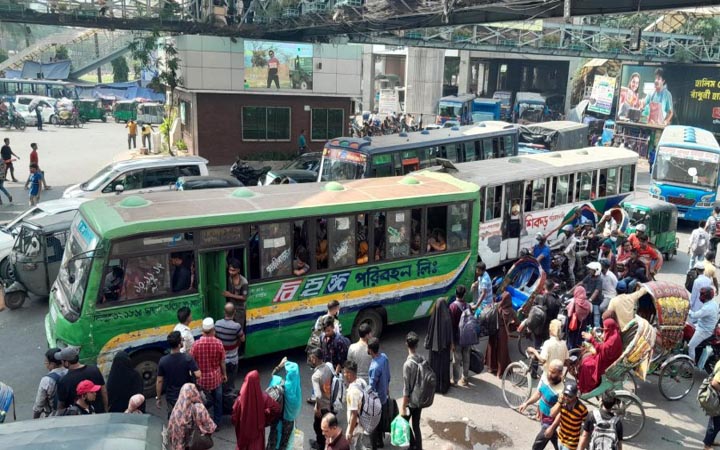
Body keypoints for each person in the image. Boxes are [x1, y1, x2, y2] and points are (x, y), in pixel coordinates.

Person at [519, 359, 565, 450]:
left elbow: (561, 413)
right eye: (549, 371)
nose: (549, 374)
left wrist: (552, 428)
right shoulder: (546, 380)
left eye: (553, 372)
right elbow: (538, 394)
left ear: (560, 373)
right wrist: (526, 403)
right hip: (542, 417)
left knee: (536, 447)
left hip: (549, 423)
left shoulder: (561, 391)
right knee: (553, 437)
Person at [190, 317, 227, 426]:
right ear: (213, 330)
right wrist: (224, 374)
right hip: (215, 378)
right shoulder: (218, 343)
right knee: (218, 401)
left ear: (203, 330)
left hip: (201, 380)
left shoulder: (196, 344)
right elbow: (222, 362)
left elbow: (192, 361)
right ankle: (217, 423)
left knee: (201, 402)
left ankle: (203, 422)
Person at [232, 370, 281, 450]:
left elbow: (234, 418)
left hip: (243, 434)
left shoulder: (240, 400)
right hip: (258, 434)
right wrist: (265, 417)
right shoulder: (264, 397)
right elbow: (276, 409)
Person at [156, 331, 201, 418]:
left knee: (174, 416)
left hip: (171, 396)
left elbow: (159, 381)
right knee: (187, 417)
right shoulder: (187, 358)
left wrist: (158, 398)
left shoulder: (163, 361)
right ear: (180, 344)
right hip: (186, 395)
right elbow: (198, 375)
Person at [55, 347, 107, 414]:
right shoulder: (94, 370)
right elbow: (104, 392)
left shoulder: (64, 381)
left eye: (62, 360)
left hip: (78, 419)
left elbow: (61, 406)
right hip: (99, 415)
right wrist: (105, 410)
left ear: (67, 363)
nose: (61, 362)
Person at [577, 318, 623, 393]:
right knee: (586, 358)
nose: (604, 330)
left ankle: (588, 387)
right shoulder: (613, 333)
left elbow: (602, 348)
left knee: (586, 365)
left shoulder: (613, 339)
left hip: (606, 362)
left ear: (610, 328)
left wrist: (591, 339)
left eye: (605, 328)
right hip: (604, 357)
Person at [167, 383, 217, 450]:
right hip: (194, 444)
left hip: (179, 445)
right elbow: (210, 427)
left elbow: (170, 430)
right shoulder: (198, 408)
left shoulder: (176, 409)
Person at [267, 359, 302, 450]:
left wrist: (280, 366)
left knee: (273, 440)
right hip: (289, 422)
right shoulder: (297, 393)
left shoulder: (281, 385)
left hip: (277, 419)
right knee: (285, 443)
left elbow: (273, 377)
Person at [425, 297, 453, 394]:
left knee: (434, 367)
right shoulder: (447, 318)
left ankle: (434, 387)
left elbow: (429, 332)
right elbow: (450, 334)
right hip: (444, 349)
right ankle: (444, 386)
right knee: (444, 367)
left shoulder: (433, 317)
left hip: (434, 348)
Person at [485, 291, 517, 378]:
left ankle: (491, 368)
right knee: (502, 352)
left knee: (493, 349)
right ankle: (501, 372)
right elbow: (516, 323)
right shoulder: (511, 311)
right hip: (502, 333)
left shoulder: (497, 306)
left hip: (494, 331)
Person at [401, 332, 424, 450]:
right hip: (420, 398)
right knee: (416, 425)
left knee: (403, 421)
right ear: (417, 345)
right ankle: (418, 446)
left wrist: (403, 406)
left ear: (406, 344)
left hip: (411, 401)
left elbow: (406, 388)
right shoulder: (421, 359)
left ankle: (412, 444)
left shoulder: (407, 365)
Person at [368, 337, 391, 450]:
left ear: (370, 350)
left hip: (376, 400)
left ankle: (375, 446)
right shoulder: (384, 358)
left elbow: (371, 387)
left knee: (373, 425)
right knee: (381, 420)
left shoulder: (374, 367)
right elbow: (388, 376)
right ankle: (380, 441)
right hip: (384, 396)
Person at [215, 302, 245, 390]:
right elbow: (243, 339)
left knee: (221, 383)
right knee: (230, 384)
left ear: (224, 312)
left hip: (221, 360)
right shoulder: (236, 326)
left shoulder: (217, 324)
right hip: (233, 360)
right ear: (234, 312)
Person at [309, 347, 334, 450]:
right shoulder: (328, 367)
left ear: (315, 358)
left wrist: (317, 408)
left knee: (318, 427)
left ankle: (321, 445)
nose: (310, 360)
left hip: (322, 406)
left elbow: (318, 395)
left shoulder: (316, 376)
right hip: (330, 403)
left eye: (311, 358)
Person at [553, 380, 588, 450]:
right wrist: (559, 402)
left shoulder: (582, 409)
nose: (566, 398)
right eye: (565, 395)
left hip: (571, 443)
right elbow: (552, 414)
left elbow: (587, 424)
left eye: (570, 396)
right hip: (560, 439)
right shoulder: (562, 402)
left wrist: (583, 440)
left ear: (575, 396)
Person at [32, 347, 67, 418]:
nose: (45, 364)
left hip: (53, 415)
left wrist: (34, 420)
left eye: (46, 362)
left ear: (53, 364)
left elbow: (39, 405)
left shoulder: (47, 380)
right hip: (71, 412)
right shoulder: (70, 372)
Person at [343, 360, 369, 450]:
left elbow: (354, 414)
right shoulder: (361, 382)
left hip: (355, 426)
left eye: (345, 373)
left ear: (349, 374)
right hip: (363, 422)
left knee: (351, 446)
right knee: (359, 444)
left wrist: (350, 432)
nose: (344, 375)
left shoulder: (352, 392)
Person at [689, 287, 719, 363]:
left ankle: (691, 364)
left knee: (691, 346)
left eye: (701, 294)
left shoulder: (707, 308)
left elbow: (694, 315)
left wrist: (687, 309)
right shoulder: (713, 303)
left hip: (703, 330)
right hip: (703, 325)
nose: (700, 296)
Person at [448, 285, 470, 386]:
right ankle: (465, 378)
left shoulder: (452, 307)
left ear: (456, 294)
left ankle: (455, 380)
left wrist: (451, 342)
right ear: (464, 294)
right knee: (466, 357)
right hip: (467, 337)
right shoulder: (468, 306)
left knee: (456, 360)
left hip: (457, 338)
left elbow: (451, 327)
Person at [223, 258, 249, 333]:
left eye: (233, 270)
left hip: (239, 310)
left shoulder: (244, 282)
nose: (230, 272)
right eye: (229, 270)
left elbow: (244, 298)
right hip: (230, 308)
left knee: (238, 330)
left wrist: (230, 295)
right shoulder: (229, 278)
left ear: (238, 270)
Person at [578, 262, 603, 328]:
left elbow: (596, 291)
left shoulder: (599, 280)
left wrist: (590, 300)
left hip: (596, 302)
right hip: (588, 299)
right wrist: (570, 292)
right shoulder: (589, 276)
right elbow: (581, 283)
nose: (589, 271)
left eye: (591, 270)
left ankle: (597, 331)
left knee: (596, 318)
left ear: (596, 270)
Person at [703, 359, 720, 450]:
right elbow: (715, 383)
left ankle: (710, 441)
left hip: (715, 396)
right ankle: (707, 446)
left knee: (717, 422)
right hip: (717, 397)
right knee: (715, 423)